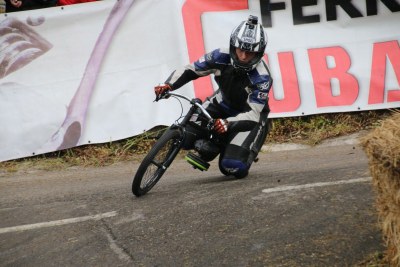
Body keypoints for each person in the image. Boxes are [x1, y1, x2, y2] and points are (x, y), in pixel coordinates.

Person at [154, 15, 273, 178]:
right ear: (233, 46)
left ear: (259, 53)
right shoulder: (220, 56)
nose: (243, 57)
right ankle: (215, 142)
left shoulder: (262, 77)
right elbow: (191, 69)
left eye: (250, 52)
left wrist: (228, 125)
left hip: (249, 119)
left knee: (232, 167)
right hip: (220, 105)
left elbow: (253, 114)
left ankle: (231, 146)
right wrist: (168, 85)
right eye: (240, 50)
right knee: (184, 138)